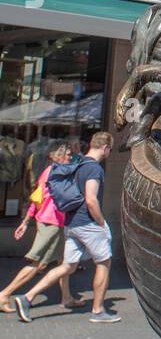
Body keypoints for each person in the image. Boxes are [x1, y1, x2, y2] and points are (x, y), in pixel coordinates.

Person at [14, 132, 120, 324]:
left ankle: (27, 297)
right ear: (105, 148)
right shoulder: (94, 169)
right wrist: (102, 224)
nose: (109, 153)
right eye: (110, 150)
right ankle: (98, 310)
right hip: (88, 223)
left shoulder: (77, 164)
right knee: (104, 262)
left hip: (71, 223)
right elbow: (91, 199)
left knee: (67, 266)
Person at [0, 142, 87, 313]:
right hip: (52, 223)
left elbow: (36, 198)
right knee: (38, 263)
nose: (71, 157)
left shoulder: (48, 171)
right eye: (68, 154)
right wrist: (26, 221)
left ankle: (67, 297)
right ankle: (4, 294)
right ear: (60, 156)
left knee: (65, 262)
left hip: (52, 222)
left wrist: (26, 221)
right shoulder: (58, 173)